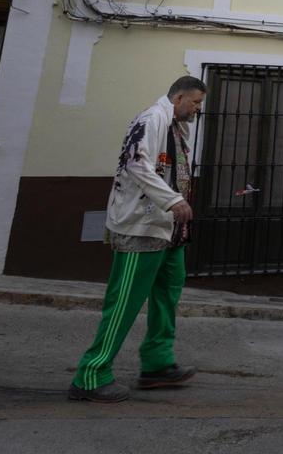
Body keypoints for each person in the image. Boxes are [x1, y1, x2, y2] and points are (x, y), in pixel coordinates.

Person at [67, 76, 206, 402]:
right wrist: (172, 200)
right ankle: (91, 374)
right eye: (196, 103)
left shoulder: (175, 126)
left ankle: (157, 364)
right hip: (140, 227)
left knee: (167, 296)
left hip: (168, 230)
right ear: (179, 97)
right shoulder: (151, 119)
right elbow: (135, 162)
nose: (198, 109)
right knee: (124, 303)